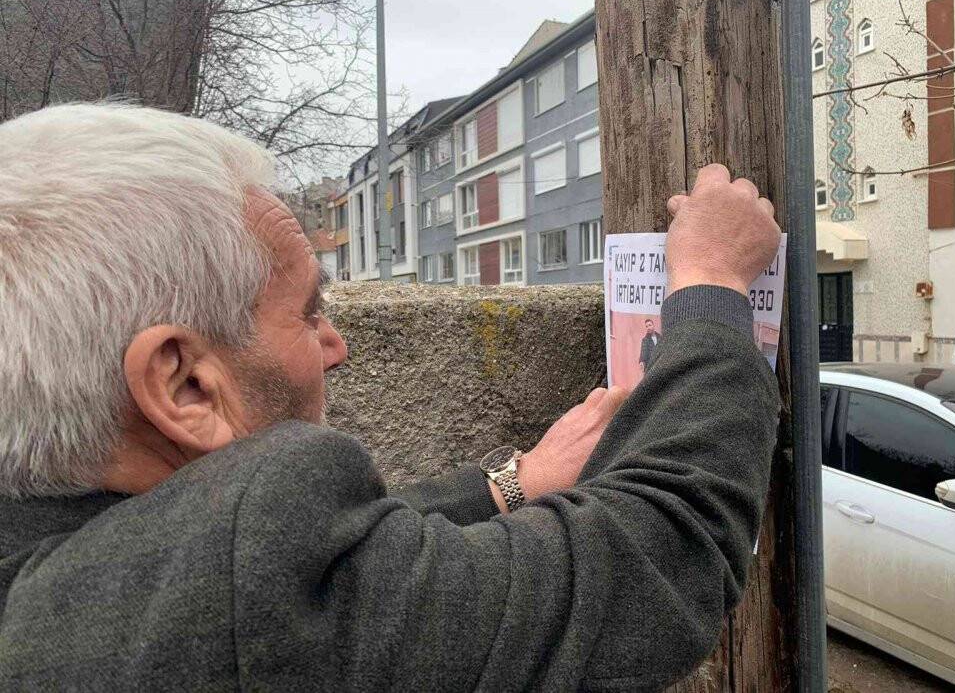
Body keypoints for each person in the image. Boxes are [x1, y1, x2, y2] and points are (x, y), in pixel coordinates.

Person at [0, 104, 782, 692]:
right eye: (309, 312)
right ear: (185, 384)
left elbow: (334, 567)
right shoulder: (238, 602)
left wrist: (512, 485)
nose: (336, 344)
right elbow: (659, 558)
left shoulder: (52, 562)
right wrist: (710, 283)